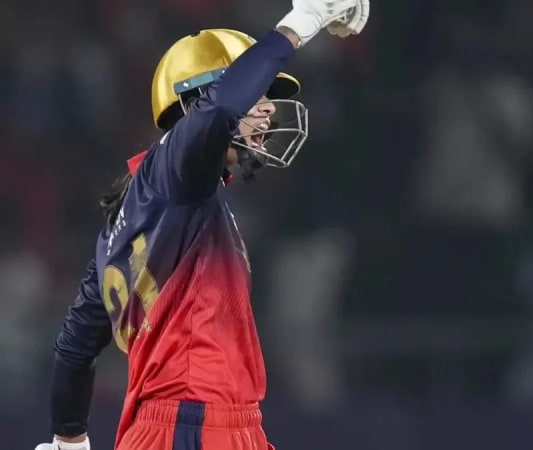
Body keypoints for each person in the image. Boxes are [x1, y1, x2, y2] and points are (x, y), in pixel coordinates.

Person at [35, 1, 370, 449]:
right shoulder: (175, 173)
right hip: (192, 424)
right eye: (258, 93)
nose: (268, 109)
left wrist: (68, 440)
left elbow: (74, 350)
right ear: (196, 102)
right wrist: (301, 23)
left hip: (193, 424)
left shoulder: (131, 222)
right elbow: (217, 112)